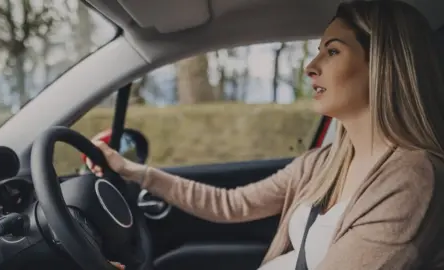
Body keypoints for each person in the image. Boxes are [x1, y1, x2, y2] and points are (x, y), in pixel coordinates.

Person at [95, 0, 444, 269]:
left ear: (382, 65)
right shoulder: (324, 163)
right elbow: (232, 204)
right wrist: (134, 172)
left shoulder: (412, 177)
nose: (310, 67)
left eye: (333, 51)